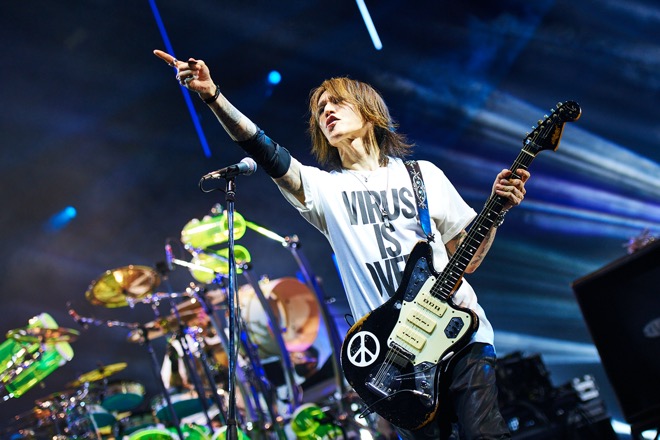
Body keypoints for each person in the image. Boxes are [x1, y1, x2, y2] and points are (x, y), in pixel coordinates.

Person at [154, 49, 529, 440]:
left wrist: (496, 212)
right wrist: (213, 96)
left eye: (337, 102)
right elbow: (262, 148)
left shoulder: (424, 176)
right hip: (394, 358)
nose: (327, 111)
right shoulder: (325, 191)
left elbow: (467, 259)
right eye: (320, 109)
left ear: (370, 112)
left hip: (459, 334)